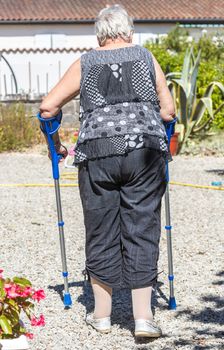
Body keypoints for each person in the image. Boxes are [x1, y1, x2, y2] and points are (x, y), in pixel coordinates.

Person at [40, 4, 175, 338]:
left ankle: (101, 316)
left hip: (97, 151)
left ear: (99, 34)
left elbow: (47, 107)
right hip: (144, 150)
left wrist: (54, 145)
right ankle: (143, 318)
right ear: (128, 31)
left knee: (100, 227)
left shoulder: (85, 62)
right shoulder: (145, 57)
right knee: (142, 224)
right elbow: (169, 111)